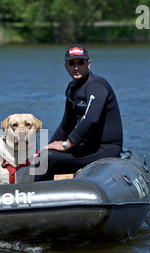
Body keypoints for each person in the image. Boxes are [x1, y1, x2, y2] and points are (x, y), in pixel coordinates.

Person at [35, 44, 123, 181]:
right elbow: (66, 125)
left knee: (47, 160)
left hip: (106, 149)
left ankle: (36, 198)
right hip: (85, 148)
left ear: (88, 64)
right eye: (72, 63)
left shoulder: (96, 85)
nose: (76, 67)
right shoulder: (72, 89)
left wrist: (67, 144)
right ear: (66, 66)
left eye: (80, 62)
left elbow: (91, 119)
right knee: (43, 157)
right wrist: (47, 148)